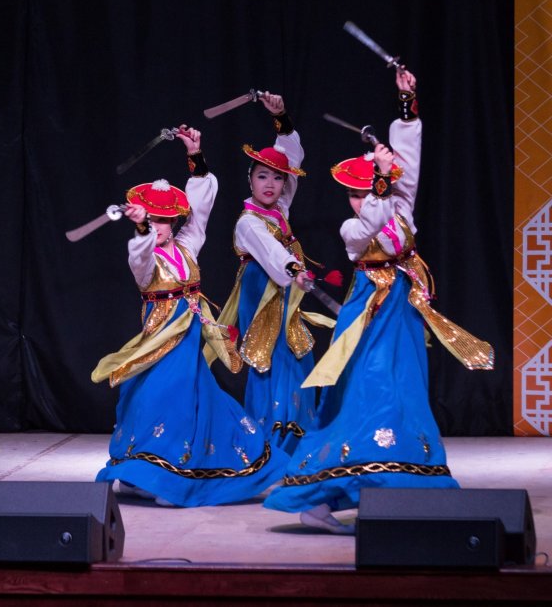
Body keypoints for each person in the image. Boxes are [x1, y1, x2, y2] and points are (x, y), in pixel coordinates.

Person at [263, 69, 494, 533]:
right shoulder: (354, 227)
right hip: (368, 312)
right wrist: (381, 181)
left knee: (404, 392)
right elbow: (372, 219)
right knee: (371, 393)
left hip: (401, 311)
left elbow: (407, 168)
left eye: (361, 190)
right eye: (351, 192)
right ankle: (325, 497)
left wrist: (406, 105)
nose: (356, 199)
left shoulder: (398, 206)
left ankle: (399, 490)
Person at [91, 125, 286, 507]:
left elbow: (200, 215)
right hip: (160, 340)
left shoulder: (186, 247)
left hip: (190, 338)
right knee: (157, 399)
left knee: (194, 401)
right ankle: (148, 474)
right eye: (153, 220)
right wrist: (142, 227)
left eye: (164, 220)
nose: (159, 227)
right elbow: (139, 255)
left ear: (175, 222)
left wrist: (195, 156)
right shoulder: (145, 258)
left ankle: (175, 475)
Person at [217, 94, 333, 456]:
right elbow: (270, 251)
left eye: (277, 179)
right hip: (261, 292)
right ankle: (268, 438)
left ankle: (297, 435)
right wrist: (295, 269)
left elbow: (291, 157)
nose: (270, 184)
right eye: (262, 176)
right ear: (250, 180)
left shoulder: (279, 208)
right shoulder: (249, 221)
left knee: (296, 352)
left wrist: (281, 116)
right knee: (268, 356)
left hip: (284, 290)